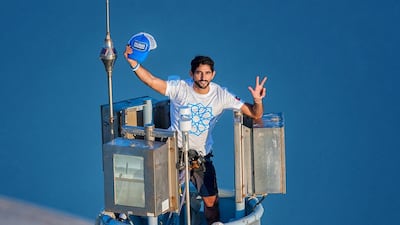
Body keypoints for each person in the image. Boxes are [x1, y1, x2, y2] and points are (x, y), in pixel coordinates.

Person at [124, 45, 267, 225]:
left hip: (199, 157)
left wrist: (258, 100)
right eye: (199, 73)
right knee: (158, 199)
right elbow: (152, 81)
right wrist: (134, 63)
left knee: (211, 203)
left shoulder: (221, 95)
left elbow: (255, 114)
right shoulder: (181, 88)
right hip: (173, 153)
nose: (203, 77)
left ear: (213, 74)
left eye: (207, 73)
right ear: (191, 74)